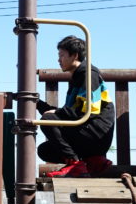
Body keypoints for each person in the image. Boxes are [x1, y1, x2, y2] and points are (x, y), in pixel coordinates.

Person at [37, 35, 115, 176]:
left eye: (62, 55)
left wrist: (55, 114)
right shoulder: (78, 76)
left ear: (74, 55)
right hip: (87, 131)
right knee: (45, 150)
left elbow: (87, 112)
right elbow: (69, 113)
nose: (58, 60)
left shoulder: (88, 75)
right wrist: (37, 103)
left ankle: (76, 164)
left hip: (96, 134)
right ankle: (93, 162)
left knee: (48, 120)